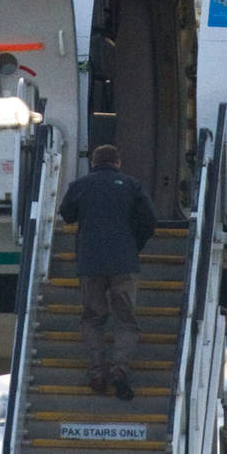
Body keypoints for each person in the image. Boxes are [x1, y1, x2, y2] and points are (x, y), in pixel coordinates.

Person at [58, 144, 157, 400]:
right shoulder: (132, 185)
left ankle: (97, 373)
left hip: (90, 263)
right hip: (124, 263)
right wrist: (135, 244)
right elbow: (150, 219)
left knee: (93, 318)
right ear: (118, 163)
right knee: (125, 319)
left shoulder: (79, 185)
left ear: (93, 163)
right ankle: (120, 370)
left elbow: (67, 215)